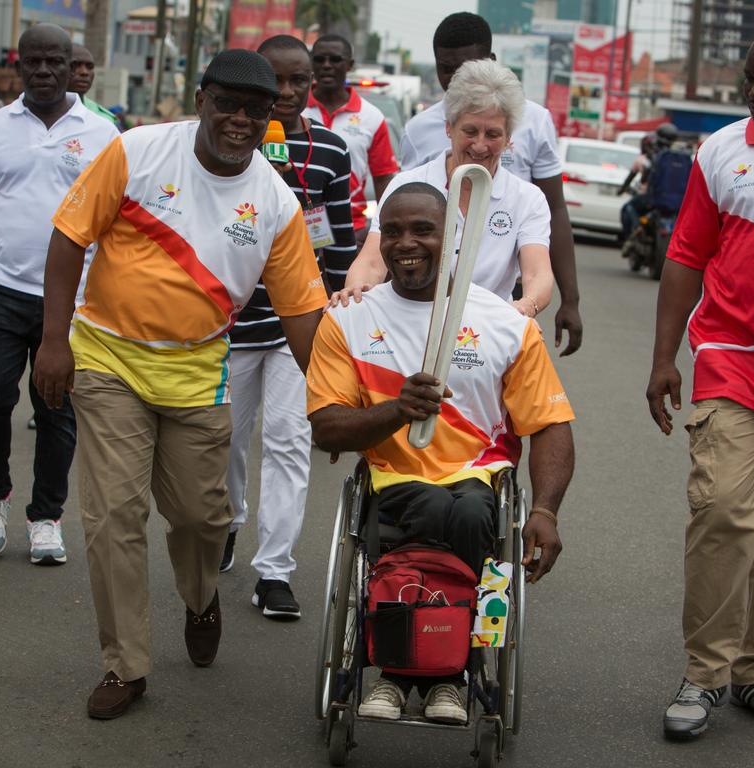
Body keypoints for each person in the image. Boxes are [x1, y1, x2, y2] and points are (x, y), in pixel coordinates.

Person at [33, 48, 327, 720]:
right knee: (113, 516)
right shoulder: (137, 152)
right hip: (108, 357)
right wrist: (54, 341)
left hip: (198, 371)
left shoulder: (274, 203)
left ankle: (201, 597)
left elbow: (303, 314)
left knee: (201, 518)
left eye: (256, 110)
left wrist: (334, 400)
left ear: (270, 117)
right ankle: (124, 666)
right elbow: (69, 238)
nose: (240, 119)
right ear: (202, 99)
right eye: (227, 103)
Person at [307, 182, 574, 723]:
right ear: (379, 241)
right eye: (395, 231)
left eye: (424, 229)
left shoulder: (505, 324)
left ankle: (442, 675)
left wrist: (544, 510)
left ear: (453, 235)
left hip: (479, 476)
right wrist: (394, 410)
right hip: (391, 477)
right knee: (431, 508)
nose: (408, 243)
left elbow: (549, 425)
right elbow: (327, 428)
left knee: (469, 509)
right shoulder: (348, 321)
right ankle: (412, 672)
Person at [648, 21, 754, 741]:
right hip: (732, 359)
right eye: (750, 77)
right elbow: (684, 256)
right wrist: (662, 359)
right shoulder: (724, 149)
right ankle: (704, 673)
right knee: (726, 513)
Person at [0, 23, 119, 566]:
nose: (43, 71)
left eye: (54, 62)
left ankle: (45, 517)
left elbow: (116, 224)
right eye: (33, 61)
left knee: (58, 409)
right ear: (19, 66)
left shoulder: (103, 134)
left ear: (72, 66)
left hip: (73, 298)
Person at [220, 35, 355, 620]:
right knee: (223, 440)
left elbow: (342, 246)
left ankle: (274, 570)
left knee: (288, 442)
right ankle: (225, 520)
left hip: (299, 327)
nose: (289, 92)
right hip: (228, 326)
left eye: (300, 81)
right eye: (277, 81)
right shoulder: (228, 145)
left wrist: (342, 319)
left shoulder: (330, 149)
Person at [393, 12, 583, 356]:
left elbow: (554, 208)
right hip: (425, 298)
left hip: (504, 279)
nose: (457, 78)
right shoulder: (418, 129)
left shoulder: (533, 121)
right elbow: (396, 217)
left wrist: (568, 299)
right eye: (446, 68)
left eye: (493, 134)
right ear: (450, 129)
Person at [333, 59, 553, 318]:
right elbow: (371, 261)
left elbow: (537, 272)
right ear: (449, 127)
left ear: (508, 139)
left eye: (493, 135)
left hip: (487, 330)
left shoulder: (527, 199)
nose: (480, 146)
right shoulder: (408, 185)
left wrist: (526, 306)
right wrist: (359, 291)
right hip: (409, 322)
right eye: (470, 131)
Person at [303, 34, 398, 247]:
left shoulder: (371, 117)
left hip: (350, 227)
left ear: (350, 65)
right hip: (295, 226)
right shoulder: (295, 109)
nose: (326, 65)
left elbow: (383, 179)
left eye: (335, 59)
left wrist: (381, 231)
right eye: (319, 59)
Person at [617, 132, 655, 242]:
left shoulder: (642, 160)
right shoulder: (668, 158)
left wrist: (622, 190)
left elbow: (630, 178)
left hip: (648, 197)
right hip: (669, 200)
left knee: (628, 207)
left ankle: (636, 228)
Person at [69, 44, 117, 123]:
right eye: (76, 65)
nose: (84, 72)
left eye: (90, 67)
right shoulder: (44, 114)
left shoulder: (105, 119)